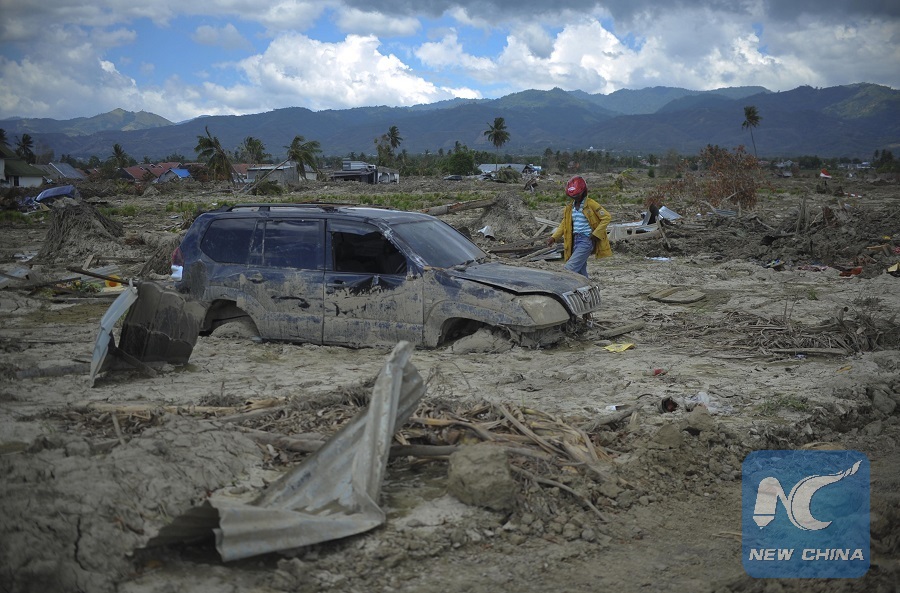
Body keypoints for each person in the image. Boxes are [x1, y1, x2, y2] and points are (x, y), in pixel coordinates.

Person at [547, 175, 612, 278]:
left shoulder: (590, 204)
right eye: (572, 196)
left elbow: (606, 217)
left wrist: (596, 234)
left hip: (586, 241)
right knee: (580, 272)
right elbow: (564, 224)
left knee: (569, 268)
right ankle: (587, 286)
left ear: (583, 192)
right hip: (574, 241)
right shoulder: (570, 208)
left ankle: (560, 283)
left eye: (577, 195)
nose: (575, 198)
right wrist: (554, 237)